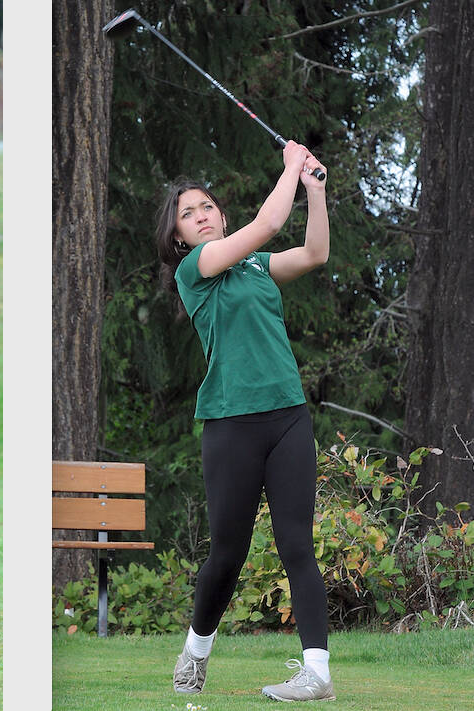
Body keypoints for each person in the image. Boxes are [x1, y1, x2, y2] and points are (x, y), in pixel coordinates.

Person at [159, 142, 334, 702]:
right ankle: (196, 650)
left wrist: (314, 189)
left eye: (206, 206)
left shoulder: (257, 265)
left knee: (297, 544)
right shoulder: (194, 270)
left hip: (287, 416)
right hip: (230, 425)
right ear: (179, 236)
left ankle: (318, 674)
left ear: (220, 214)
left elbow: (314, 253)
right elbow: (268, 223)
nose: (200, 216)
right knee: (227, 555)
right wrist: (289, 168)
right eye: (188, 213)